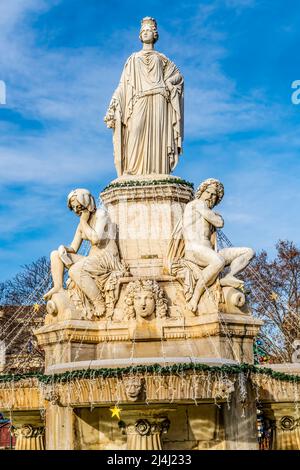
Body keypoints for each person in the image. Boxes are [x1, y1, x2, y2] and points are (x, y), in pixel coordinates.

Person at [104, 17, 184, 176]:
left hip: (159, 99)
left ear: (155, 35)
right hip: (139, 99)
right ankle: (132, 171)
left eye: (149, 31)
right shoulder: (133, 58)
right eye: (143, 31)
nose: (146, 33)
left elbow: (178, 77)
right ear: (140, 36)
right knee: (135, 132)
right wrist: (113, 103)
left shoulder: (162, 58)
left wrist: (168, 82)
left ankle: (158, 170)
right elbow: (123, 84)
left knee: (158, 137)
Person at [44, 189, 123, 316]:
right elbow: (74, 248)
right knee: (55, 254)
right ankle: (58, 287)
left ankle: (99, 302)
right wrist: (63, 248)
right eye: (73, 207)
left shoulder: (101, 214)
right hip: (94, 258)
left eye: (78, 206)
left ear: (86, 202)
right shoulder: (82, 224)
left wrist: (83, 222)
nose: (76, 210)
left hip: (107, 257)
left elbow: (96, 239)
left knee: (74, 270)